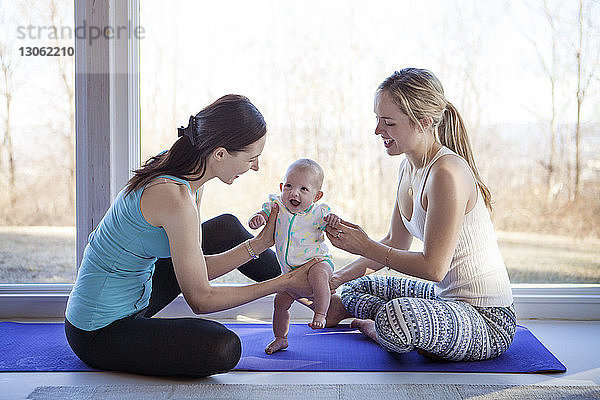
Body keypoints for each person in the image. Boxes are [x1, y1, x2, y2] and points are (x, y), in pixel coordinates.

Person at [64, 94, 317, 377]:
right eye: (252, 158)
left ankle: (319, 298)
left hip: (137, 292)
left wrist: (258, 245)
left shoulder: (186, 169)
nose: (255, 167)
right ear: (220, 154)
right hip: (98, 329)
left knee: (226, 228)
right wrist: (279, 283)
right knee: (223, 347)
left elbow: (195, 264)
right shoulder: (173, 196)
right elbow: (200, 298)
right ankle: (300, 287)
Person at [323, 68, 516, 361]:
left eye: (388, 123)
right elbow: (395, 243)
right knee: (355, 288)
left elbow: (433, 269)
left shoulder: (446, 173)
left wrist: (363, 244)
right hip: (444, 301)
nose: (378, 131)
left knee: (397, 317)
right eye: (377, 120)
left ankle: (380, 328)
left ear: (424, 123)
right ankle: (358, 312)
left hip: (487, 320)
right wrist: (334, 280)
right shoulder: (409, 167)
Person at [248, 158, 341, 354]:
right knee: (279, 302)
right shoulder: (277, 206)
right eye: (289, 186)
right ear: (281, 186)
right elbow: (263, 214)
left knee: (318, 276)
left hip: (317, 262)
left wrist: (333, 221)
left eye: (304, 189)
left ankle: (322, 313)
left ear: (317, 196)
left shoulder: (319, 213)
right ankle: (281, 338)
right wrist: (258, 218)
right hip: (289, 272)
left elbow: (332, 224)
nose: (294, 193)